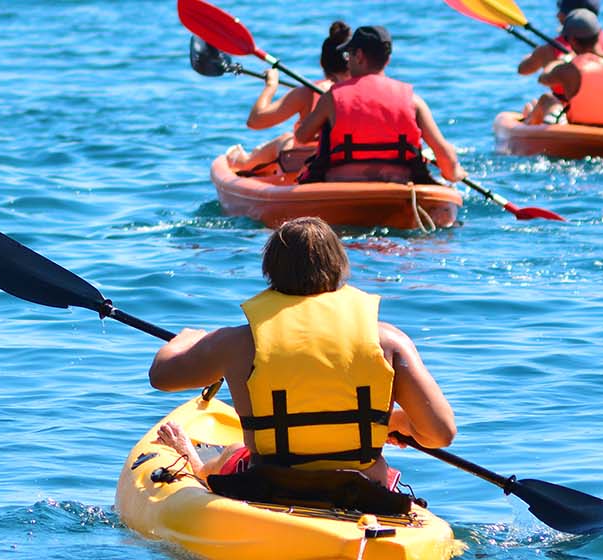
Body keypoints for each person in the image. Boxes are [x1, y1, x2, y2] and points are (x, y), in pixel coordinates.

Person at [146, 217, 456, 496]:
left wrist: (184, 341)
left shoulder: (236, 343)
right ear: (340, 270)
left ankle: (197, 466)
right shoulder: (389, 341)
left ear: (270, 272)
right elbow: (440, 433)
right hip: (362, 489)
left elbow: (161, 377)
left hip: (269, 487)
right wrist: (394, 422)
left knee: (232, 452)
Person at [291, 26, 466, 185]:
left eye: (348, 55)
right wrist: (454, 173)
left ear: (358, 56)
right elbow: (444, 154)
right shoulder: (413, 101)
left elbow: (301, 136)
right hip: (399, 183)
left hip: (341, 182)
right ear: (387, 60)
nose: (347, 61)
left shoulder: (332, 98)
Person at [233, 21, 355, 177]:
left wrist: (271, 85)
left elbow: (255, 121)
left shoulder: (307, 93)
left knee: (284, 139)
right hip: (351, 160)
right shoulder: (366, 91)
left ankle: (244, 161)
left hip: (308, 162)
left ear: (322, 63)